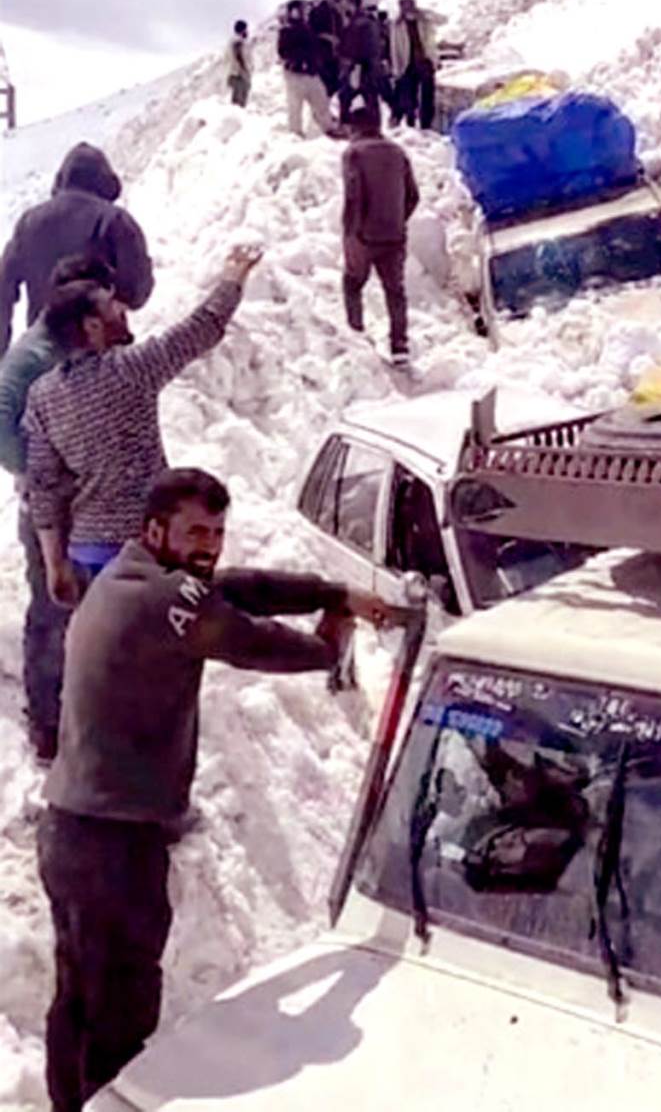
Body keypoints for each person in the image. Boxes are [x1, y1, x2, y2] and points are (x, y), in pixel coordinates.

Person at [37, 466, 406, 1112]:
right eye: (195, 532)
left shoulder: (129, 578)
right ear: (156, 531)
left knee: (78, 998)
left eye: (216, 532)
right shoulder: (167, 602)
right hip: (113, 848)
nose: (209, 545)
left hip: (73, 829)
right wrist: (329, 644)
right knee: (120, 1011)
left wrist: (332, 591)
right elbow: (248, 639)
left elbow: (239, 589)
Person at [23, 244, 262, 609]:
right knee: (157, 639)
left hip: (87, 553)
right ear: (92, 326)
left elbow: (43, 485)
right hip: (145, 548)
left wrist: (55, 565)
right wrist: (233, 278)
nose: (122, 309)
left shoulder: (42, 395)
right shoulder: (129, 370)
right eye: (111, 306)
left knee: (103, 639)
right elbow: (199, 330)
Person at [0, 255, 117, 762]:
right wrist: (46, 471)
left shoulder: (71, 348)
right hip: (52, 511)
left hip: (87, 507)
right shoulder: (34, 358)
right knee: (52, 609)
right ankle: (46, 721)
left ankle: (85, 710)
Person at [0, 143, 154, 352]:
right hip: (99, 353)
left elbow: (3, 288)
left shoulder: (28, 222)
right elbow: (137, 291)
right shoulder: (116, 221)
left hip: (42, 351)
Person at [342, 108, 420, 360]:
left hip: (363, 236)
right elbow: (413, 196)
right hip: (394, 234)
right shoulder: (398, 153)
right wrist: (397, 219)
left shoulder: (354, 153)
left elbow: (353, 196)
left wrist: (352, 232)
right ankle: (400, 345)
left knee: (352, 283)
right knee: (395, 290)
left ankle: (356, 335)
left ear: (355, 128)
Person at [277, 0, 337, 137]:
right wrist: (301, 58)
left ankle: (328, 127)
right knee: (295, 106)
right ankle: (295, 133)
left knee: (321, 100)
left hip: (311, 72)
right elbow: (283, 52)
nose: (302, 12)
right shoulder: (286, 30)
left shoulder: (308, 28)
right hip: (295, 73)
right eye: (299, 10)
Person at [391, 0, 446, 130]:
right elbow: (394, 47)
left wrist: (425, 13)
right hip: (408, 62)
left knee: (427, 94)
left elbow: (443, 20)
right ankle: (411, 121)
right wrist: (397, 68)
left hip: (425, 61)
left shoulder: (424, 19)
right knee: (410, 95)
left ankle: (426, 123)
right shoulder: (397, 24)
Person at [338, 0, 383, 126]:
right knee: (369, 96)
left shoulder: (359, 23)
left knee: (348, 96)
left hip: (360, 66)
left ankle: (348, 125)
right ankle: (373, 126)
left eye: (345, 3)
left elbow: (355, 46)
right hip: (368, 65)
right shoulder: (366, 20)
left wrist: (351, 64)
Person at [226, 20, 252, 107]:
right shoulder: (238, 42)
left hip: (234, 73)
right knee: (239, 102)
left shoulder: (233, 41)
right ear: (242, 30)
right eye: (246, 29)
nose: (247, 32)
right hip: (239, 74)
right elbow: (240, 57)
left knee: (237, 99)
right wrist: (245, 71)